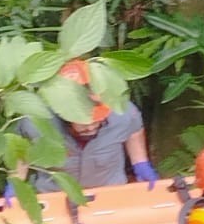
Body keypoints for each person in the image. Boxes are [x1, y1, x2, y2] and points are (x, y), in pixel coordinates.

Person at [13, 57, 158, 194]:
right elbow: (21, 150)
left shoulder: (122, 110)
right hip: (56, 194)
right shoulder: (35, 122)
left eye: (97, 120)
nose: (91, 127)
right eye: (84, 122)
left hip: (109, 191)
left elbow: (134, 129)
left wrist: (140, 163)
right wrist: (16, 182)